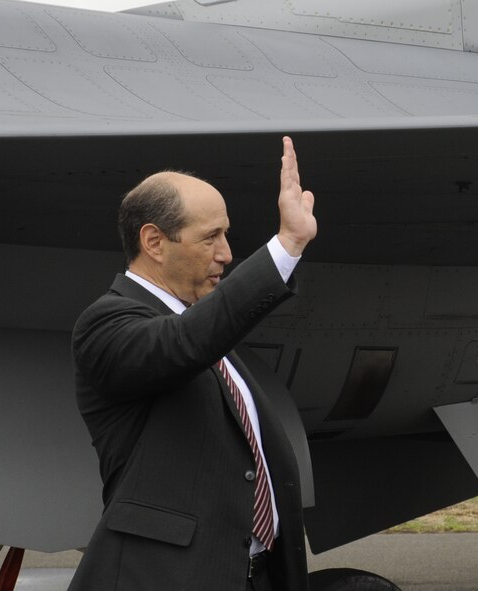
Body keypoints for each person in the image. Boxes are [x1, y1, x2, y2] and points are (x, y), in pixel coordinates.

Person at [69, 136, 316, 591]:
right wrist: (285, 248)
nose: (226, 253)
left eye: (226, 234)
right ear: (154, 242)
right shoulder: (108, 323)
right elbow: (185, 343)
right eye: (210, 238)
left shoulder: (202, 332)